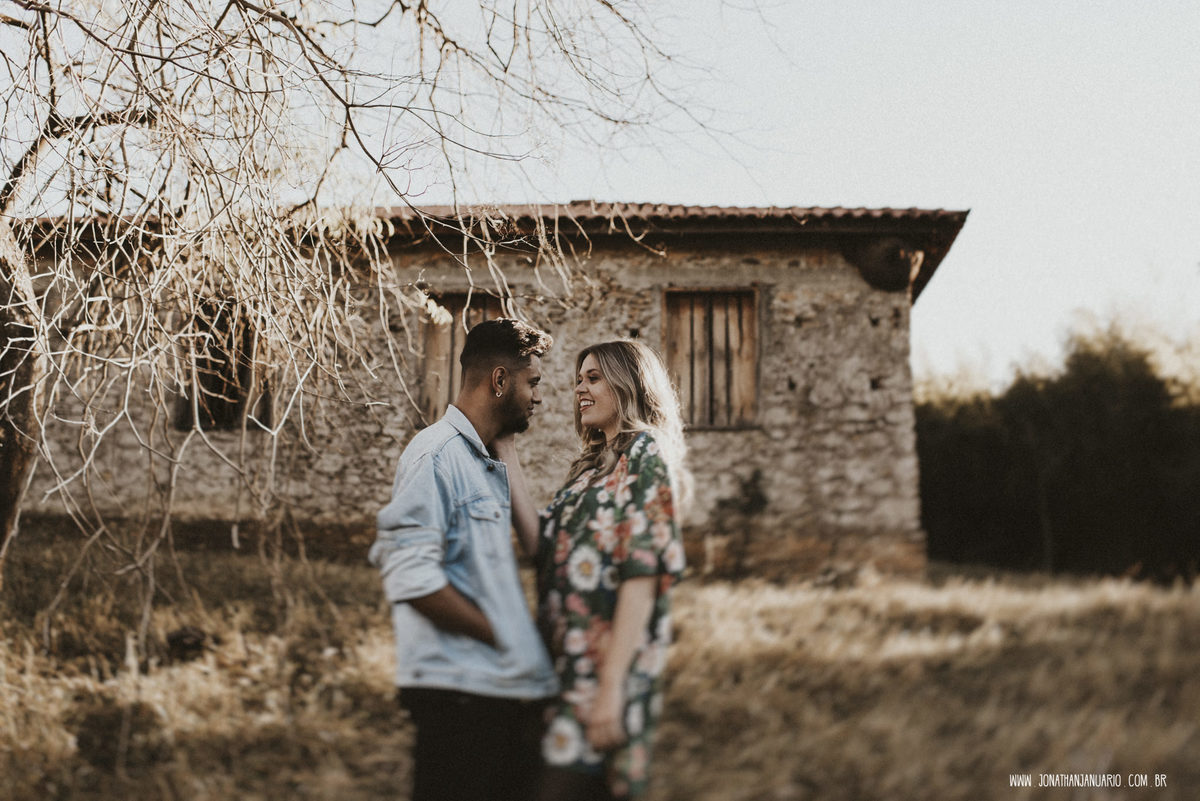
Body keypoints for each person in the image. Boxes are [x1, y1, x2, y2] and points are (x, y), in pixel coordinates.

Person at [368, 317, 559, 801]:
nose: (539, 397)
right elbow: (411, 577)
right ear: (500, 380)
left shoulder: (482, 459)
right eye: (533, 382)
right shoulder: (437, 455)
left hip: (493, 691)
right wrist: (500, 635)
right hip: (460, 697)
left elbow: (535, 549)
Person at [503, 340, 691, 801]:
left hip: (602, 675)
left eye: (593, 378)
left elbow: (642, 575)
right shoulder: (587, 471)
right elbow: (538, 545)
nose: (580, 389)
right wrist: (503, 446)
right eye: (577, 380)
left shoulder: (644, 455)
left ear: (628, 384)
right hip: (559, 671)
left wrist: (611, 688)